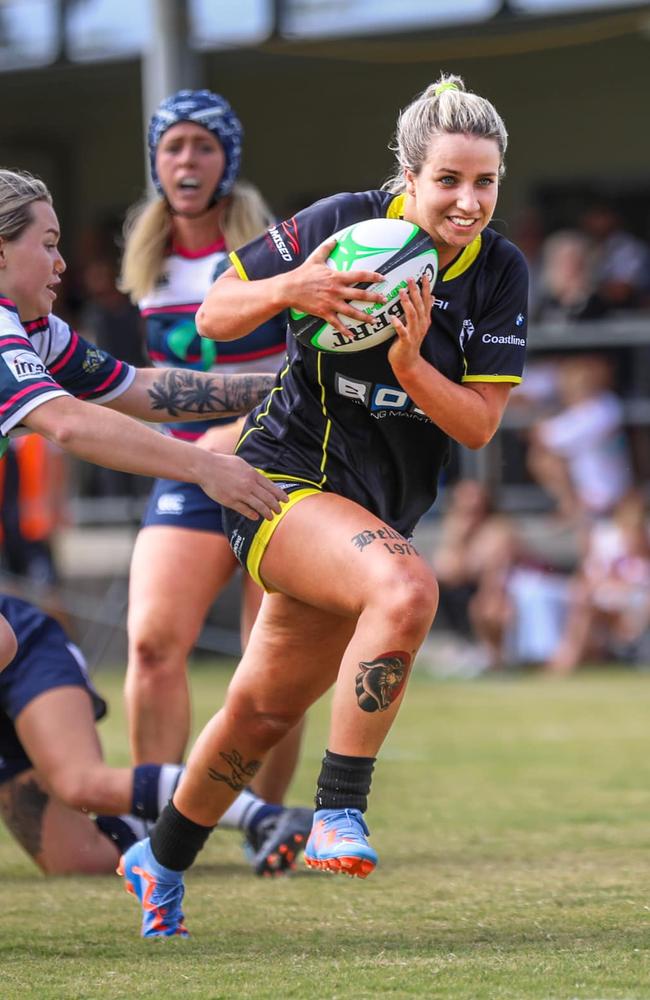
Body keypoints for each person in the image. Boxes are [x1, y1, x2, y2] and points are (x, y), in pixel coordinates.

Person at [118, 73, 528, 938]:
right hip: (281, 476)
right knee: (408, 590)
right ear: (407, 178)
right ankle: (340, 811)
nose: (467, 201)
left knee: (262, 712)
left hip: (377, 508)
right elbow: (219, 312)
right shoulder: (346, 223)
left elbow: (482, 426)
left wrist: (416, 368)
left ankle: (159, 858)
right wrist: (288, 290)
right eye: (448, 180)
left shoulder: (499, 272)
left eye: (484, 181)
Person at [118, 90, 311, 874]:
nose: (186, 162)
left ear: (228, 159)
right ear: (156, 162)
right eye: (172, 148)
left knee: (275, 661)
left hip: (281, 469)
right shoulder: (147, 259)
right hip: (187, 470)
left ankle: (270, 826)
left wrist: (238, 430)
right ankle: (148, 825)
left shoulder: (272, 250)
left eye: (202, 146)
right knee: (153, 642)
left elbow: (310, 361)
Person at [0, 167, 287, 522]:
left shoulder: (39, 331)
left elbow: (137, 386)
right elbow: (67, 423)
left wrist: (289, 387)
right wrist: (205, 467)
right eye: (48, 244)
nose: (61, 263)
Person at [0, 593, 304, 875]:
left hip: (21, 647)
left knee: (81, 783)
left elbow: (4, 641)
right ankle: (155, 819)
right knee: (83, 861)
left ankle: (262, 815)